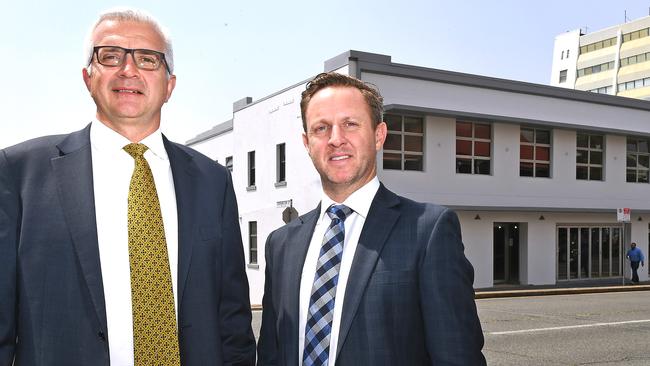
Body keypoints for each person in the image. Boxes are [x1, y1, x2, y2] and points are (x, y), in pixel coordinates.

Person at [0, 8, 255, 365]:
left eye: (148, 59)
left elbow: (233, 323)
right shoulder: (19, 174)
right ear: (88, 77)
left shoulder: (213, 182)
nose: (128, 69)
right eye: (110, 56)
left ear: (170, 85)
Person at [257, 72, 485, 365]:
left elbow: (457, 357)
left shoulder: (428, 232)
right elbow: (271, 355)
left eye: (350, 124)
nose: (336, 139)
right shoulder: (281, 245)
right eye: (321, 128)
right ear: (306, 142)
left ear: (379, 135)